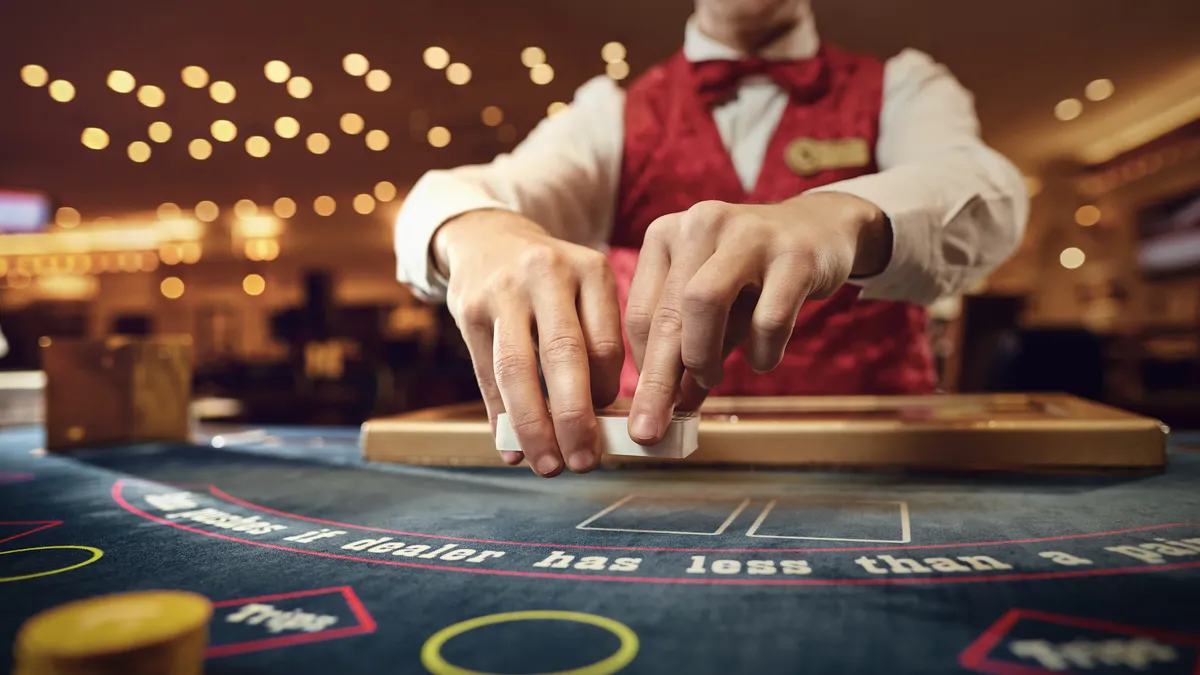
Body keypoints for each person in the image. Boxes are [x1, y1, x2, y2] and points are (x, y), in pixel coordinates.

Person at [393, 0, 1028, 477]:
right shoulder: (609, 114)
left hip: (878, 465)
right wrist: (477, 231)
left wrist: (837, 215)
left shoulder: (904, 85)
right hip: (654, 470)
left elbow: (986, 191)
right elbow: (453, 194)